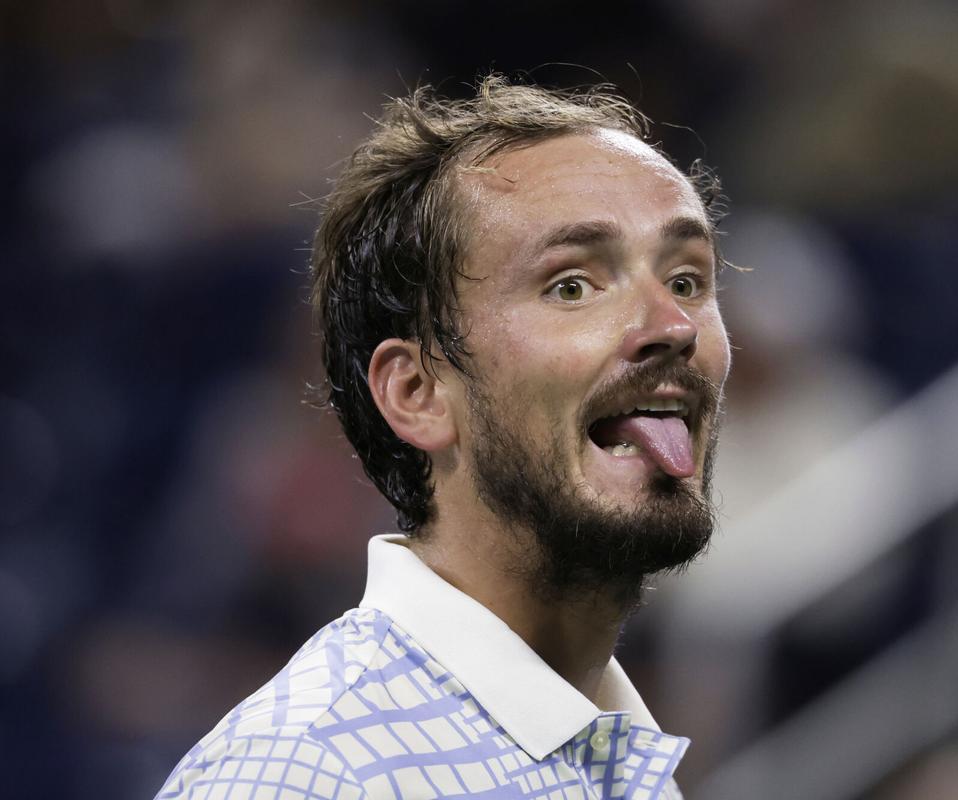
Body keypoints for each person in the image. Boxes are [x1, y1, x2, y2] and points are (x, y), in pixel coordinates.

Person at [155, 75, 731, 800]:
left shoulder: (623, 763)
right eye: (572, 286)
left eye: (686, 281)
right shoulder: (300, 776)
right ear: (417, 394)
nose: (674, 326)